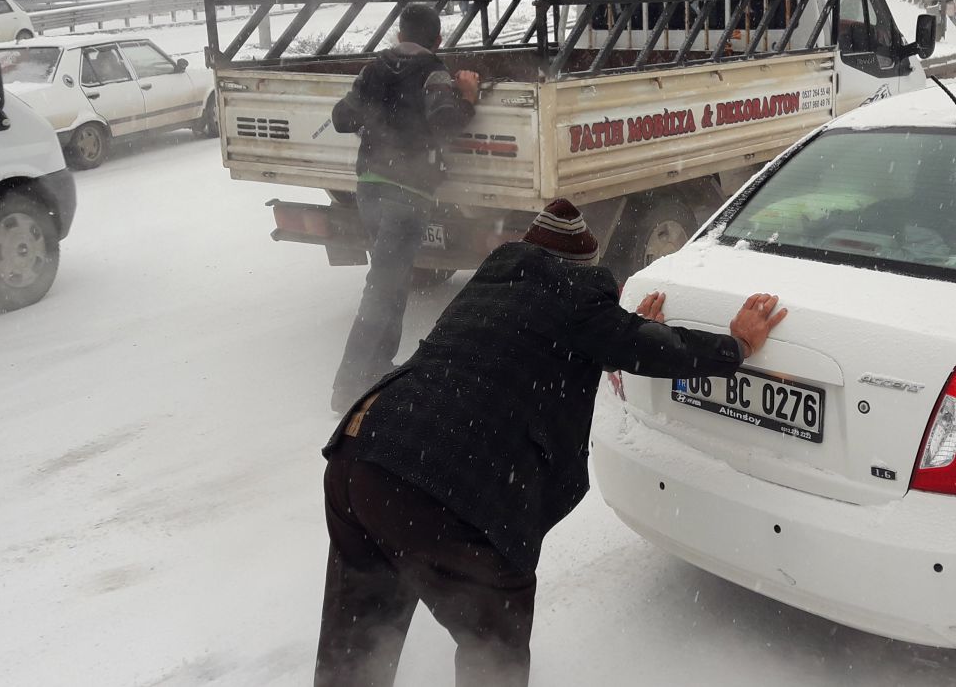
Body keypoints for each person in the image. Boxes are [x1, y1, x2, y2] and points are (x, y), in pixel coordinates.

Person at [315, 200, 789, 687]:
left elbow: (525, 348)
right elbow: (638, 344)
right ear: (585, 266)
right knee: (494, 644)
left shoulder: (493, 283)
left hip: (362, 454)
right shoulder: (577, 300)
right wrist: (736, 346)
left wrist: (615, 334)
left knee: (356, 638)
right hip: (442, 486)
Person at [329, 3, 481, 412]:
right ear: (437, 40)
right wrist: (467, 97)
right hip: (406, 194)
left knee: (391, 285)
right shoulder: (434, 72)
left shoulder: (374, 69)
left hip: (370, 190)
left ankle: (377, 369)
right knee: (382, 289)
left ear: (399, 36)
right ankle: (348, 385)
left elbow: (342, 117)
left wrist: (376, 114)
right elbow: (447, 122)